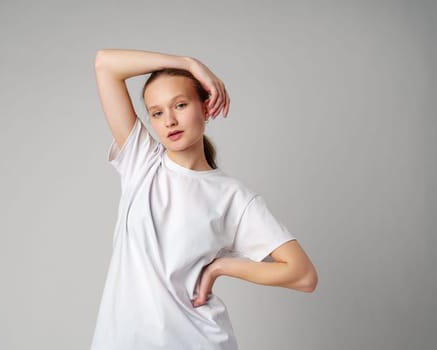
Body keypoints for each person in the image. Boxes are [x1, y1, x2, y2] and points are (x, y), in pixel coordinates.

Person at [91, 49, 318, 349]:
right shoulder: (142, 162)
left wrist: (222, 267)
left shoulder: (232, 197)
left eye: (181, 105)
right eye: (157, 113)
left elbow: (303, 275)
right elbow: (105, 64)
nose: (169, 120)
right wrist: (187, 63)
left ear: (206, 108)